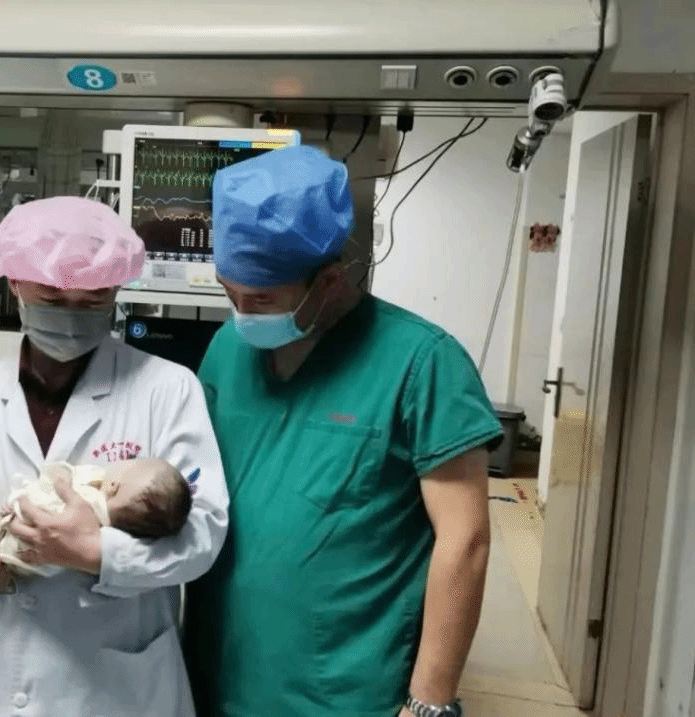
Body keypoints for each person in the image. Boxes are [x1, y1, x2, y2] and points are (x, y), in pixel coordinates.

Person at [183, 145, 502, 717]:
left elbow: (466, 541)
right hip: (220, 670)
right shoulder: (228, 348)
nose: (243, 312)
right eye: (230, 292)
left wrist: (430, 702)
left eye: (262, 298)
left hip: (346, 688)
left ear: (329, 280)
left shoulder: (423, 362)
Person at [0, 195, 229, 717]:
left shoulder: (167, 390)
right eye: (52, 297)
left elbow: (203, 533)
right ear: (15, 284)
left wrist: (95, 551)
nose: (71, 315)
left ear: (117, 290)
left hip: (114, 688)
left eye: (93, 298)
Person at [0, 458, 193, 586]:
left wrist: (92, 553)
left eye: (128, 463)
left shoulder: (86, 498)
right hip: (7, 556)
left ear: (113, 487)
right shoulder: (107, 522)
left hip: (4, 540)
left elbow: (197, 544)